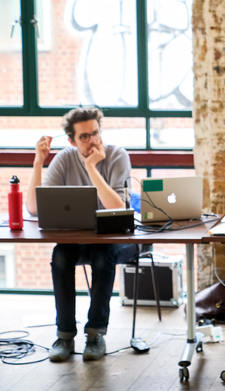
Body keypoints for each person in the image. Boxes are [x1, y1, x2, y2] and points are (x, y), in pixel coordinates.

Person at [26, 107, 138, 362]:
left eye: (95, 133)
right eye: (84, 137)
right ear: (71, 141)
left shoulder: (118, 155)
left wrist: (91, 168)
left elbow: (117, 208)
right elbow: (33, 207)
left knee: (103, 257)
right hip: (76, 239)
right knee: (61, 257)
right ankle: (64, 335)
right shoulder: (64, 159)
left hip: (114, 241)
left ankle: (95, 334)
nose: (92, 141)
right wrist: (37, 162)